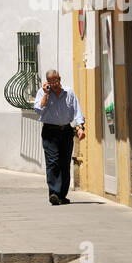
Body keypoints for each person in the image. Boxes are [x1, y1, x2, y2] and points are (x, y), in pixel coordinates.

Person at [34, 68, 85, 204]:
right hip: (50, 132)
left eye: (55, 80)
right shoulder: (42, 93)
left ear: (60, 79)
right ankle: (54, 193)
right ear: (47, 82)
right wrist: (45, 94)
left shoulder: (69, 92)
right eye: (51, 81)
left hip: (66, 131)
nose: (54, 84)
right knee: (52, 162)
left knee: (64, 163)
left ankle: (62, 195)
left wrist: (80, 127)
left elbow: (77, 111)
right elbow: (38, 110)